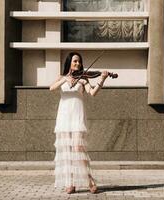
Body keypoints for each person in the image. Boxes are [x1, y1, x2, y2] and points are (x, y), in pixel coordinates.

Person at [49, 52, 108, 194]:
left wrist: (102, 79)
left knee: (78, 149)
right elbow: (51, 88)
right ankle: (70, 183)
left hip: (77, 116)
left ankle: (90, 181)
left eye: (79, 62)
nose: (77, 64)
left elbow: (93, 93)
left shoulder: (83, 80)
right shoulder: (62, 77)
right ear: (69, 62)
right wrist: (65, 79)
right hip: (64, 116)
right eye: (75, 61)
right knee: (66, 151)